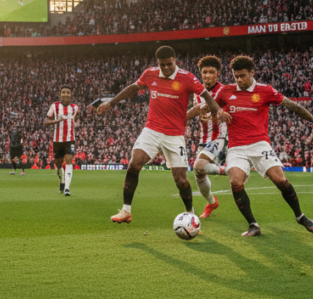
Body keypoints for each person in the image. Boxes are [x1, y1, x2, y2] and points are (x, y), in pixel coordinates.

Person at [97, 45, 228, 223]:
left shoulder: (187, 77)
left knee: (181, 180)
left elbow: (207, 96)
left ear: (175, 61)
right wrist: (111, 103)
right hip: (151, 130)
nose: (165, 68)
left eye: (169, 64)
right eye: (162, 64)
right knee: (134, 164)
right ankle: (126, 211)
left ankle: (190, 213)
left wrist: (216, 113)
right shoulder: (150, 73)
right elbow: (133, 88)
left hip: (174, 135)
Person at [213, 56, 313, 237]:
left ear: (252, 72)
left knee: (280, 179)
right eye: (236, 76)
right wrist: (217, 112)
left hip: (259, 143)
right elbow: (211, 108)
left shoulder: (265, 90)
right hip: (236, 146)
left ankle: (300, 216)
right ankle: (253, 225)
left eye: (243, 76)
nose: (239, 80)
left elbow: (292, 105)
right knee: (235, 181)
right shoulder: (225, 91)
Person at [185, 55, 228, 219]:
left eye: (212, 72)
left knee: (199, 165)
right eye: (205, 72)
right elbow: (197, 110)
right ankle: (211, 202)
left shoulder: (224, 91)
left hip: (220, 137)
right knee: (198, 172)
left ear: (217, 74)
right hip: (204, 139)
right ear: (201, 74)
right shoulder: (197, 93)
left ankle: (228, 170)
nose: (208, 75)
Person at [44, 87, 79, 196]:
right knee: (58, 164)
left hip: (70, 140)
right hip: (57, 141)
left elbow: (76, 120)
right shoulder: (54, 106)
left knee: (69, 161)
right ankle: (62, 181)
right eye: (63, 92)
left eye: (68, 92)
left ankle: (67, 188)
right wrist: (57, 121)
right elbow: (45, 121)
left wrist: (76, 125)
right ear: (60, 94)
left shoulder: (75, 108)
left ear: (71, 94)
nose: (66, 94)